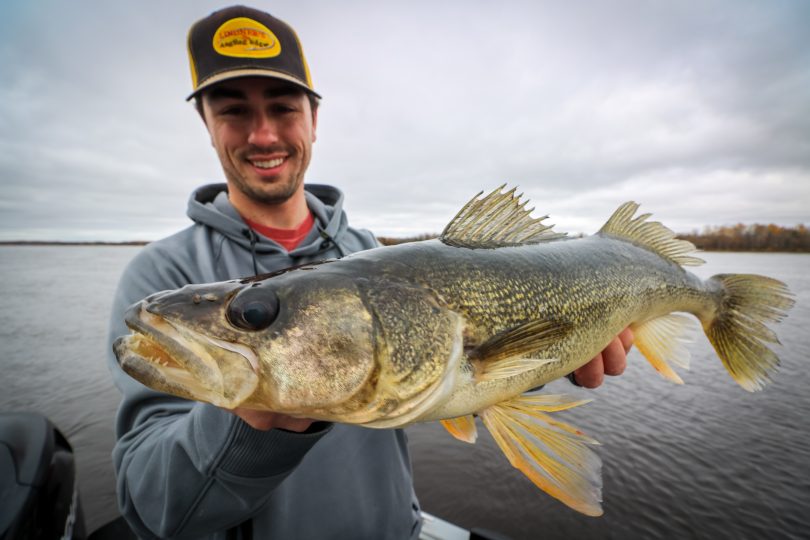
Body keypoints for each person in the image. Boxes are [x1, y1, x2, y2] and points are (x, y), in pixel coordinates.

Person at [106, 5, 633, 539]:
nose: (263, 135)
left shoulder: (366, 250)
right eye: (234, 111)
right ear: (207, 124)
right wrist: (252, 421)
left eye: (284, 108)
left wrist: (551, 364)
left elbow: (453, 382)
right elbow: (154, 511)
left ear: (313, 118)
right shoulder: (161, 274)